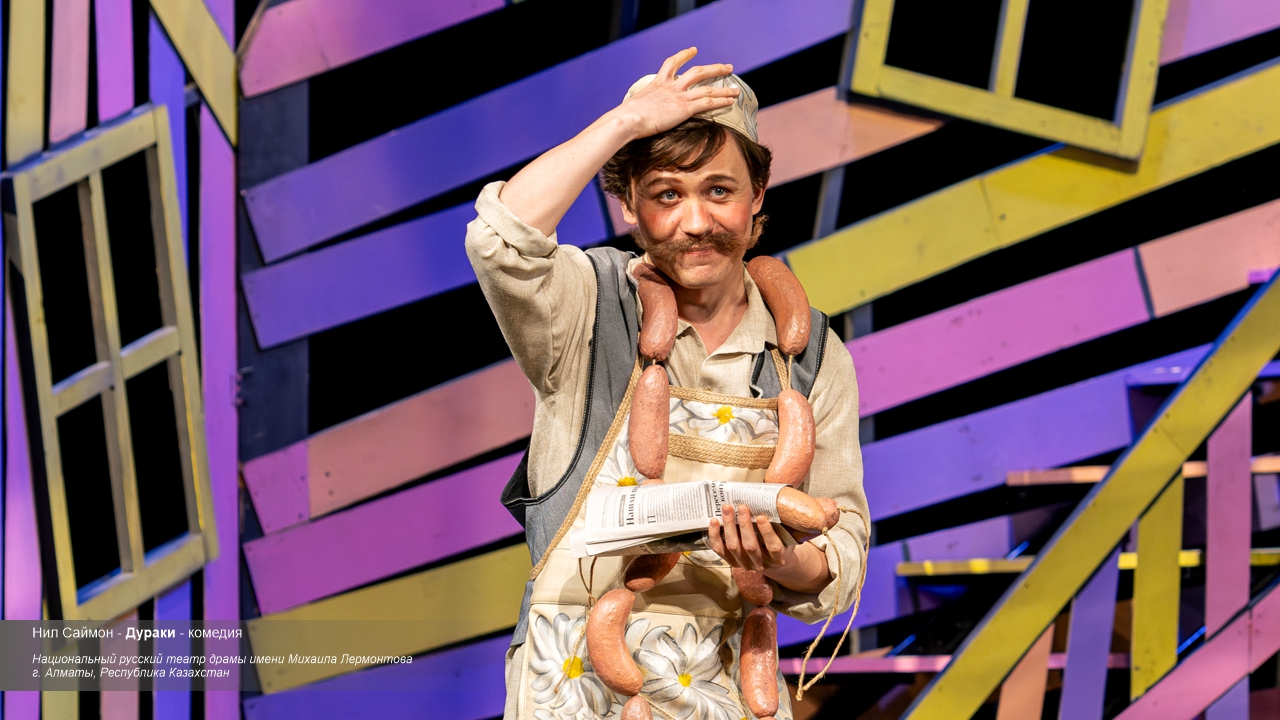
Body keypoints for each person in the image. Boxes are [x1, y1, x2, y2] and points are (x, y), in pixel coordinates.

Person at [466, 47, 868, 720]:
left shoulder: (813, 355)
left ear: (757, 195)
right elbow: (500, 240)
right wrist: (625, 123)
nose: (696, 222)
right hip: (572, 693)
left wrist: (781, 561)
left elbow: (844, 544)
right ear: (628, 204)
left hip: (728, 690)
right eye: (666, 195)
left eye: (720, 191)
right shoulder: (586, 307)